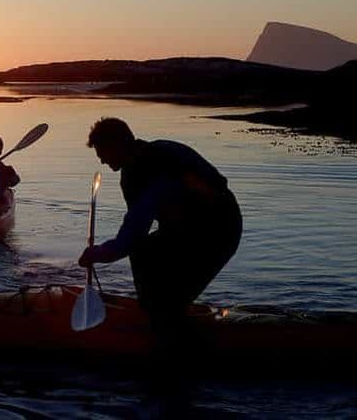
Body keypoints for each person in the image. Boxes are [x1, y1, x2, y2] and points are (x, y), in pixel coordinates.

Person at [78, 117, 242, 329]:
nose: (101, 160)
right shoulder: (129, 178)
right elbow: (138, 229)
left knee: (165, 295)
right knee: (145, 253)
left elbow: (130, 238)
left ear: (117, 145)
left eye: (102, 152)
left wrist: (97, 254)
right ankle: (158, 312)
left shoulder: (159, 160)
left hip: (220, 228)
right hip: (185, 230)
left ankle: (168, 323)